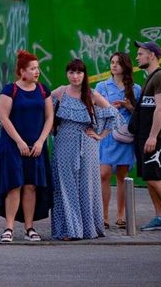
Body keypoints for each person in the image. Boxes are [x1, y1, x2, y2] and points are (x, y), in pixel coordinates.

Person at [51, 59, 116, 240]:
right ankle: (70, 230)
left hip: (87, 145)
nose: (75, 76)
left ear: (84, 75)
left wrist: (100, 135)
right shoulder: (60, 92)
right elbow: (45, 112)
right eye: (72, 72)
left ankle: (88, 228)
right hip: (63, 143)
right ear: (67, 74)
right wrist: (50, 130)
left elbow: (113, 114)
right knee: (65, 185)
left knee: (88, 186)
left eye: (79, 72)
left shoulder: (92, 94)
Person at [0, 50, 53, 243]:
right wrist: (19, 141)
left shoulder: (43, 90)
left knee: (31, 186)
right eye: (32, 68)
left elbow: (49, 117)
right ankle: (9, 228)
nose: (37, 72)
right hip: (13, 145)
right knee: (14, 184)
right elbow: (4, 117)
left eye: (38, 68)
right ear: (22, 71)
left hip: (36, 145)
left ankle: (30, 227)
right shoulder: (10, 90)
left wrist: (41, 141)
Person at [95, 52, 140, 229]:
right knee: (103, 174)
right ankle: (104, 215)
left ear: (125, 66)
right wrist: (108, 108)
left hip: (125, 136)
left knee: (123, 176)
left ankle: (121, 215)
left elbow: (141, 114)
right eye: (112, 62)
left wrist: (129, 107)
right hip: (107, 135)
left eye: (118, 63)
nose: (114, 66)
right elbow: (94, 109)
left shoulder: (135, 89)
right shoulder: (102, 86)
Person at [130, 41, 161, 231]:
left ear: (151, 55)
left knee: (154, 177)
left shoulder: (160, 77)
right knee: (148, 178)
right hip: (143, 136)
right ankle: (160, 216)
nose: (137, 57)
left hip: (154, 138)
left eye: (140, 53)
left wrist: (153, 137)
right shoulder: (150, 78)